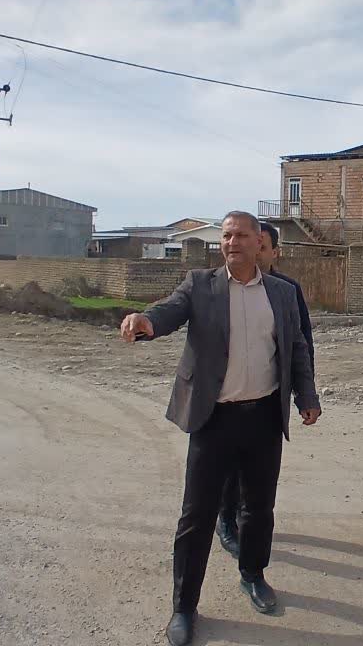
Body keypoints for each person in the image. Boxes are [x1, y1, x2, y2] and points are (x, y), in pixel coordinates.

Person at [120, 212, 321, 646]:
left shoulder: (282, 292)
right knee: (197, 516)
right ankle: (184, 607)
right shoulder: (201, 284)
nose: (231, 242)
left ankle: (253, 574)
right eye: (226, 236)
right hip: (213, 419)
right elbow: (169, 311)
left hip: (264, 417)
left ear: (259, 241)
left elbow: (296, 347)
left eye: (241, 236)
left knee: (259, 508)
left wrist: (307, 396)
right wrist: (146, 321)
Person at [216, 221, 314, 560]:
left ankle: (250, 534)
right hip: (228, 401)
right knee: (230, 468)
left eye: (262, 246)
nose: (254, 252)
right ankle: (226, 520)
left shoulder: (286, 290)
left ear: (273, 252)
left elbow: (301, 341)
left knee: (258, 477)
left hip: (269, 399)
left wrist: (305, 394)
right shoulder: (221, 287)